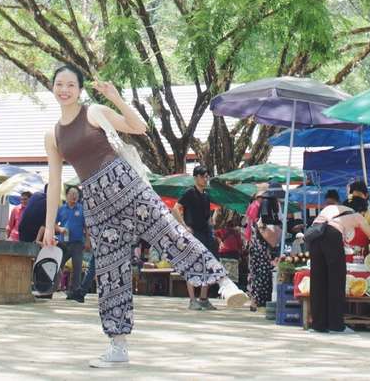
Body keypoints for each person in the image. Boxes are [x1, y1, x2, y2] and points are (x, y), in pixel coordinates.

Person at [43, 63, 248, 368]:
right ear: (53, 87)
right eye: (60, 84)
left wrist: (116, 97)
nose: (65, 90)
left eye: (71, 84)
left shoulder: (94, 112)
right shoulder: (54, 135)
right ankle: (117, 345)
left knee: (169, 232)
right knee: (111, 271)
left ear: (80, 89)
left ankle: (223, 283)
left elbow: (139, 127)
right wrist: (49, 227)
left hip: (125, 184)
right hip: (97, 204)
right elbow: (55, 183)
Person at [306, 202, 370, 333]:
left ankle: (318, 325)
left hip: (314, 234)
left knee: (318, 281)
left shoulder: (332, 209)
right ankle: (336, 326)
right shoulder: (356, 215)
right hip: (331, 233)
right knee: (336, 280)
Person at [177, 165, 220, 310]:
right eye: (203, 176)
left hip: (206, 233)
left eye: (207, 176)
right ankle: (192, 300)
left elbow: (207, 218)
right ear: (195, 177)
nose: (205, 179)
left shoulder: (206, 196)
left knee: (208, 264)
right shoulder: (189, 192)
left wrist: (212, 223)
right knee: (192, 264)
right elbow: (175, 209)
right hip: (193, 233)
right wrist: (184, 226)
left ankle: (203, 298)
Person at [57, 186, 89, 302]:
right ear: (67, 195)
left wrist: (87, 241)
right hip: (63, 243)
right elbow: (54, 224)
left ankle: (74, 292)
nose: (74, 196)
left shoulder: (82, 209)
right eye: (71, 193)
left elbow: (87, 227)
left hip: (77, 243)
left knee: (77, 267)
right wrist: (60, 229)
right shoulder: (61, 209)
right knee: (58, 265)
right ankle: (51, 289)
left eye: (76, 194)